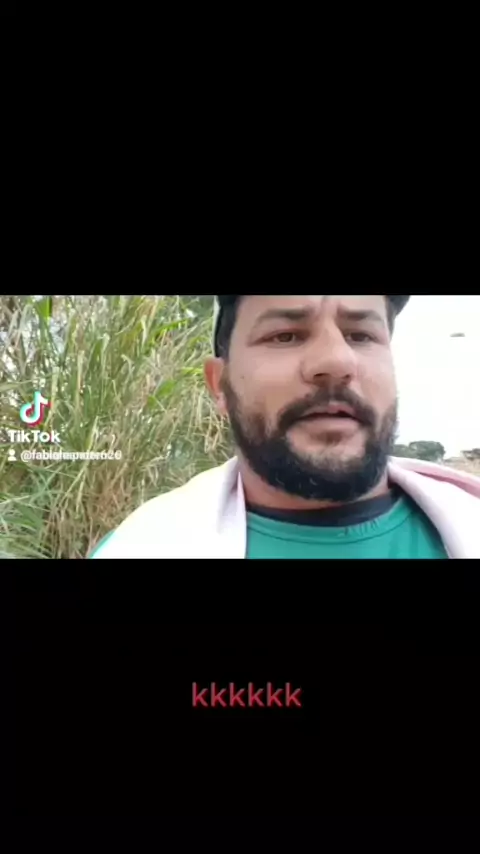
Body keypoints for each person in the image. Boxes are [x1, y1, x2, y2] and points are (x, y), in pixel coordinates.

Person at [91, 295, 480, 560]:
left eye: (361, 335)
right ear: (219, 386)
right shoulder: (137, 548)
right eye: (285, 335)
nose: (336, 361)